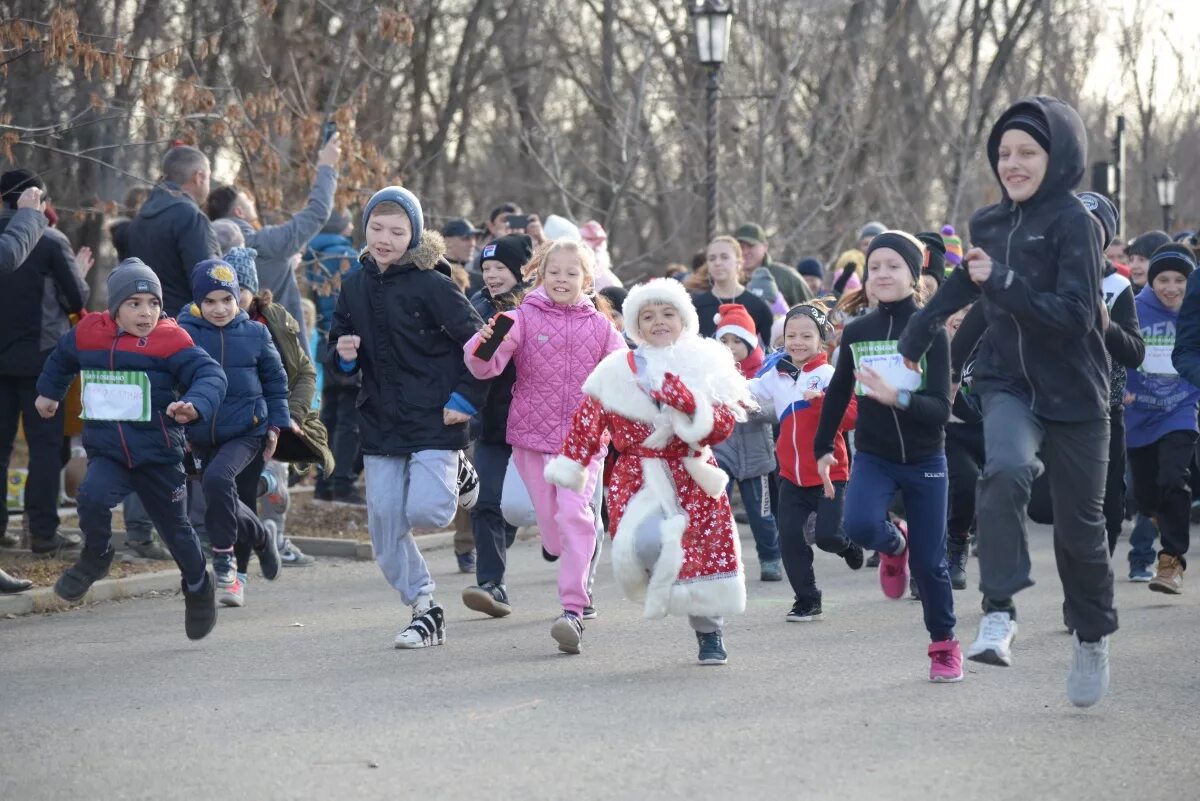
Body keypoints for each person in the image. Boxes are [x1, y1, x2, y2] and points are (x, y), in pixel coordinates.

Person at [898, 96, 1117, 707]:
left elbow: (1076, 316)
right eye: (1004, 154)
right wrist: (918, 335)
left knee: (1081, 530)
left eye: (1027, 153)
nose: (1013, 164)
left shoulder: (1074, 222)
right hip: (1008, 383)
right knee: (1006, 470)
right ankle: (998, 612)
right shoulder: (987, 224)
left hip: (1075, 390)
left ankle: (1092, 635)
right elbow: (967, 284)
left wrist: (1004, 281)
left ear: (1059, 157)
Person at [544, 278, 752, 664]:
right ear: (635, 325)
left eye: (668, 314)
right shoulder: (615, 369)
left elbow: (722, 426)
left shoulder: (705, 362)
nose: (659, 322)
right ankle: (664, 582)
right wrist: (572, 463)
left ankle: (710, 633)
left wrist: (690, 404)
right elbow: (588, 420)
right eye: (648, 315)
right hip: (636, 474)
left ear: (684, 319)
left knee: (702, 556)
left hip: (693, 474)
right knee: (644, 544)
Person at [35, 259, 227, 638]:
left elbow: (210, 375)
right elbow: (61, 358)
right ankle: (98, 555)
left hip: (158, 453)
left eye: (153, 303)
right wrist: (48, 392)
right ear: (115, 307)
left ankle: (197, 586)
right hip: (109, 452)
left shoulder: (171, 338)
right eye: (135, 303)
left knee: (177, 531)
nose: (146, 312)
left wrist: (194, 405)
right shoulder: (89, 330)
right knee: (90, 496)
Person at [330, 187, 484, 649]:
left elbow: (482, 344)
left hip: (436, 417)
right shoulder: (353, 284)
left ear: (414, 234)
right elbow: (339, 343)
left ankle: (460, 473)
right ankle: (424, 608)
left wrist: (465, 398)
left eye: (397, 231)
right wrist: (342, 355)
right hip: (380, 420)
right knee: (383, 524)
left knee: (428, 511)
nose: (385, 238)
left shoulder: (433, 284)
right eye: (377, 228)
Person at [813, 231, 960, 683]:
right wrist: (821, 447)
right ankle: (895, 541)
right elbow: (838, 393)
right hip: (874, 456)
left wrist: (897, 398)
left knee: (931, 565)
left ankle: (943, 647)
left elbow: (940, 408)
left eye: (894, 266)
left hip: (925, 458)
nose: (882, 274)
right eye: (875, 266)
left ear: (914, 277)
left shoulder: (932, 333)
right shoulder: (857, 332)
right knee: (857, 526)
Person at [465, 239, 625, 654]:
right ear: (539, 274)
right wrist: (483, 340)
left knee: (576, 517)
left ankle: (572, 610)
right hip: (531, 439)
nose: (562, 279)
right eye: (554, 271)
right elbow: (484, 364)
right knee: (552, 531)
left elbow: (625, 374)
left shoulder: (602, 328)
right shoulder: (517, 318)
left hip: (583, 443)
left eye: (572, 273)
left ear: (587, 280)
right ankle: (556, 546)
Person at [178, 259, 287, 606]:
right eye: (209, 301)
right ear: (198, 301)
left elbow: (276, 381)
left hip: (247, 431)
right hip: (200, 433)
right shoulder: (183, 332)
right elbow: (168, 378)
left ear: (239, 295)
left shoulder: (255, 332)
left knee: (219, 483)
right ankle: (262, 539)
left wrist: (275, 426)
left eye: (227, 299)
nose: (220, 308)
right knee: (226, 498)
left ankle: (228, 565)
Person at [749, 302, 864, 621]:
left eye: (806, 335)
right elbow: (749, 393)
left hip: (830, 473)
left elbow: (854, 416)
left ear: (822, 340)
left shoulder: (830, 375)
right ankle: (807, 598)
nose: (797, 342)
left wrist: (825, 402)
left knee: (827, 537)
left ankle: (847, 544)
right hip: (790, 476)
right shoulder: (776, 375)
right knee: (789, 539)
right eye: (790, 336)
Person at [228, 246, 332, 573]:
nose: (232, 299)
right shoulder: (209, 325)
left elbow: (304, 371)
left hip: (273, 415)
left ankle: (276, 537)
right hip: (230, 423)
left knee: (276, 483)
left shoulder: (274, 321)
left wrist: (292, 416)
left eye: (240, 290)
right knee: (232, 489)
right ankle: (239, 549)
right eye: (224, 293)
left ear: (252, 289)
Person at [0, 170, 89, 554]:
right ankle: (42, 531)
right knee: (45, 449)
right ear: (37, 199)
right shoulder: (51, 240)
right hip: (41, 364)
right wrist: (81, 276)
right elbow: (76, 299)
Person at [207, 134, 341, 344]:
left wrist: (285, 263)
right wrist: (327, 166)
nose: (252, 200)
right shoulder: (264, 243)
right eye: (248, 198)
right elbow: (318, 212)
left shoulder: (208, 251)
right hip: (283, 356)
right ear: (240, 211)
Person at [459, 234, 533, 617]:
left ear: (520, 270)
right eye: (486, 268)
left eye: (499, 268)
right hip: (491, 425)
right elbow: (474, 361)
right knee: (486, 503)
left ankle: (572, 573)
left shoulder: (538, 309)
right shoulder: (477, 306)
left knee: (521, 508)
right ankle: (492, 583)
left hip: (533, 427)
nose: (491, 275)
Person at [1123, 244, 1198, 595]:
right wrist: (1119, 388)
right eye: (1163, 280)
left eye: (1180, 280)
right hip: (1139, 413)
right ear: (1151, 282)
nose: (1171, 287)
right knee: (1146, 496)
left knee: (1174, 476)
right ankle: (1156, 512)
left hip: (1181, 408)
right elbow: (1115, 351)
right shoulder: (1135, 309)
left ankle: (1171, 561)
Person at [712, 304, 783, 581]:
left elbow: (775, 412)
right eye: (724, 341)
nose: (730, 347)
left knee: (761, 514)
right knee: (718, 513)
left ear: (750, 342)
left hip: (757, 456)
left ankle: (770, 557)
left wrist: (750, 407)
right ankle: (720, 562)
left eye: (736, 341)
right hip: (722, 453)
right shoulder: (712, 373)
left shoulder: (765, 372)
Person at [122, 145, 219, 312]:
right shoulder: (191, 217)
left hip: (144, 322)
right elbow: (208, 284)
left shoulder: (139, 219)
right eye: (208, 178)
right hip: (185, 327)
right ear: (199, 177)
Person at [689, 236, 774, 345]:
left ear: (739, 263)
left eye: (724, 257)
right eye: (712, 258)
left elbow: (770, 353)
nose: (717, 263)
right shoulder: (695, 307)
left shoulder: (758, 307)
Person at [733, 223, 811, 306]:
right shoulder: (726, 279)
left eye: (750, 246)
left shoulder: (787, 278)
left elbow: (812, 313)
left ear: (765, 247)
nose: (745, 252)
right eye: (740, 247)